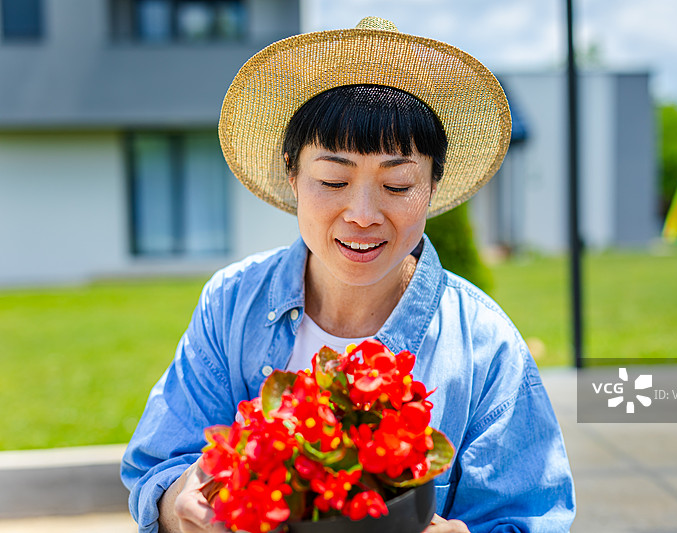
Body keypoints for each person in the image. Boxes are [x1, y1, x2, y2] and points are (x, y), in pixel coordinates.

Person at [121, 16, 575, 533]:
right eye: (333, 179)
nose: (362, 213)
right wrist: (183, 507)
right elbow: (157, 467)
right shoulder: (232, 303)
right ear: (292, 174)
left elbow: (533, 518)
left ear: (432, 186)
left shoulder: (485, 344)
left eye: (398, 185)